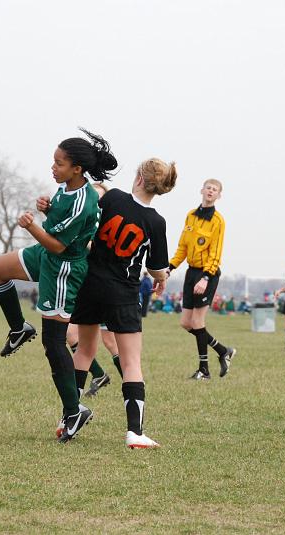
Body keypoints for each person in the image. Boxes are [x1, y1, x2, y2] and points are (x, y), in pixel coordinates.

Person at [0, 128, 117, 443]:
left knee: (54, 344)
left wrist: (32, 225)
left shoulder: (84, 201)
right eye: (53, 162)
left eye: (59, 164)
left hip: (62, 268)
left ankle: (74, 410)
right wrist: (48, 209)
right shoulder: (68, 189)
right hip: (45, 255)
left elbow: (58, 245)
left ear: (77, 169)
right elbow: (57, 225)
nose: (53, 168)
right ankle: (19, 329)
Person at [71, 157, 176, 448]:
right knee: (131, 362)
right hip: (123, 292)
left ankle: (68, 418)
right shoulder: (156, 221)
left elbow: (89, 227)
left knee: (84, 352)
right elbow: (156, 268)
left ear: (140, 179)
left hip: (90, 284)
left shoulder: (114, 197)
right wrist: (162, 277)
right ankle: (134, 433)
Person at [168, 178, 236, 380]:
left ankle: (204, 370)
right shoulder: (190, 216)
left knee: (198, 321)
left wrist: (206, 277)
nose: (210, 191)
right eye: (208, 188)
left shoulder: (218, 220)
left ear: (218, 195)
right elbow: (183, 247)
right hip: (191, 272)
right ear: (202, 190)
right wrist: (170, 267)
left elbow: (216, 252)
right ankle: (223, 350)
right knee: (186, 323)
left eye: (215, 190)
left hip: (208, 274)